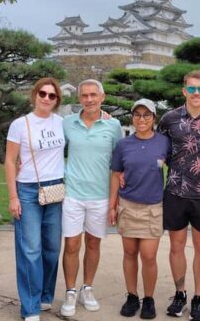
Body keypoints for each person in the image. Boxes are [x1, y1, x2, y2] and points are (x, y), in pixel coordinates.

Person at [157, 70, 200, 321]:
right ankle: (180, 294)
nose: (195, 93)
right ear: (184, 90)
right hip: (175, 191)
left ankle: (198, 297)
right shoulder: (170, 118)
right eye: (191, 88)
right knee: (176, 246)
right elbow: (156, 148)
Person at [59, 79, 123, 317]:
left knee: (94, 244)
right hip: (72, 194)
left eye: (93, 95)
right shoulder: (67, 123)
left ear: (102, 97)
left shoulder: (113, 125)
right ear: (79, 98)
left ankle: (87, 288)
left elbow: (119, 163)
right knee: (71, 245)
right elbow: (53, 148)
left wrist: (115, 200)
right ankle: (70, 291)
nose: (89, 99)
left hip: (100, 196)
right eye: (84, 95)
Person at [5, 77, 66, 321]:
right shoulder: (20, 124)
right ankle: (30, 307)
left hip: (55, 189)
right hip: (28, 190)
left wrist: (103, 114)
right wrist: (13, 196)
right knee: (30, 249)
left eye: (52, 95)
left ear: (57, 100)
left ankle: (44, 295)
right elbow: (10, 161)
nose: (46, 98)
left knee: (52, 249)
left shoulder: (62, 122)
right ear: (35, 95)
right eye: (43, 93)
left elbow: (87, 121)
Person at [109, 99, 171, 319]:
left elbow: (175, 169)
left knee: (148, 256)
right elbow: (116, 175)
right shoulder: (123, 145)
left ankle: (149, 299)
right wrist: (112, 206)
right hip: (128, 205)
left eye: (146, 115)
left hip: (153, 207)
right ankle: (132, 296)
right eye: (137, 115)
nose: (141, 119)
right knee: (129, 253)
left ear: (154, 118)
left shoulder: (164, 142)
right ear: (132, 118)